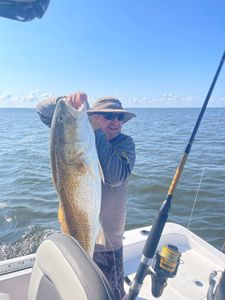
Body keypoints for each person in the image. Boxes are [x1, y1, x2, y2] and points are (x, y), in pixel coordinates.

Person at [36, 92, 136, 300]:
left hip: (109, 244)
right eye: (109, 116)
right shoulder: (79, 136)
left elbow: (115, 176)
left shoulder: (124, 144)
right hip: (78, 234)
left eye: (119, 118)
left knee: (111, 294)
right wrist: (63, 101)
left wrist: (95, 129)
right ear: (92, 116)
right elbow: (43, 111)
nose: (116, 122)